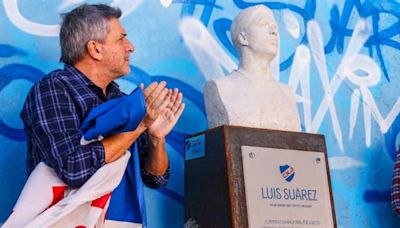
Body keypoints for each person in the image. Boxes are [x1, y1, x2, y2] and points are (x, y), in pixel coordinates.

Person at [18, 3, 184, 223]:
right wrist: (139, 126)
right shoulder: (52, 90)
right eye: (121, 38)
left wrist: (155, 138)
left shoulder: (121, 101)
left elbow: (155, 178)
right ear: (95, 49)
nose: (130, 47)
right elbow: (73, 169)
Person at [204, 5, 300, 131]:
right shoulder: (220, 88)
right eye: (262, 23)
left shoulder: (288, 94)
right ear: (243, 38)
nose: (274, 30)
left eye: (274, 25)